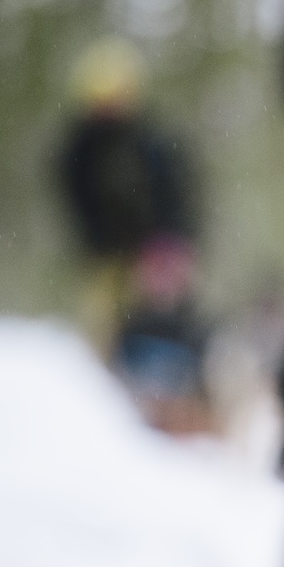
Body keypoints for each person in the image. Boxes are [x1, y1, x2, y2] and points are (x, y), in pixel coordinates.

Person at [57, 38, 211, 433]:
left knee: (168, 331)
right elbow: (78, 204)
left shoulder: (151, 143)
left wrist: (169, 248)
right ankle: (105, 419)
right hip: (107, 260)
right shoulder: (79, 150)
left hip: (155, 254)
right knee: (104, 337)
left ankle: (176, 415)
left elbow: (177, 196)